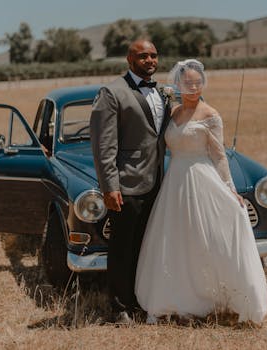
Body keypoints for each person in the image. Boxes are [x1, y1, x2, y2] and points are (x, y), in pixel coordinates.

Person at [135, 59, 267, 325]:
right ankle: (176, 295)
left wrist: (231, 190)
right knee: (177, 238)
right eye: (188, 83)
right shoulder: (173, 114)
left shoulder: (210, 114)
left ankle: (218, 295)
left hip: (201, 177)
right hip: (175, 182)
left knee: (206, 235)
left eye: (198, 83)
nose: (193, 87)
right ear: (178, 85)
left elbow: (219, 156)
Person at [90, 39, 172, 323]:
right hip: (126, 184)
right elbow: (104, 146)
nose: (149, 60)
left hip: (158, 182)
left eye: (153, 55)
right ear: (129, 59)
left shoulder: (162, 92)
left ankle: (141, 301)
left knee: (146, 246)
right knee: (122, 248)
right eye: (142, 56)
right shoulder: (112, 93)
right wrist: (110, 186)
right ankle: (119, 308)